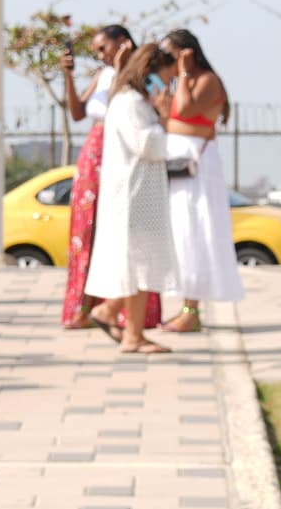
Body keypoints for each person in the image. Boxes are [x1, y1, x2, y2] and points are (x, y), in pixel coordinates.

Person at [82, 40, 181, 354]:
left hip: (141, 197)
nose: (167, 86)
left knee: (142, 264)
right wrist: (165, 115)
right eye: (166, 78)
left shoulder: (136, 102)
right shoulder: (131, 104)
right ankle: (132, 335)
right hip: (133, 199)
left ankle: (109, 312)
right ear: (149, 73)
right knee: (139, 266)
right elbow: (150, 146)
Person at [58, 23, 158, 331]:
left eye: (104, 48)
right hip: (94, 151)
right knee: (86, 229)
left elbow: (125, 107)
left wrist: (120, 68)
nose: (100, 55)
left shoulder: (145, 78)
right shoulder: (102, 75)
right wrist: (69, 76)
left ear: (123, 43)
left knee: (126, 229)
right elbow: (77, 113)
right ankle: (84, 307)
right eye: (97, 51)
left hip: (124, 152)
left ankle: (129, 311)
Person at [157, 27, 240, 331]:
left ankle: (192, 309)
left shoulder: (207, 81)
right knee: (180, 233)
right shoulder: (183, 84)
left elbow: (187, 108)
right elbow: (172, 118)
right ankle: (184, 304)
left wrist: (182, 74)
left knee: (195, 230)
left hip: (198, 167)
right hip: (177, 164)